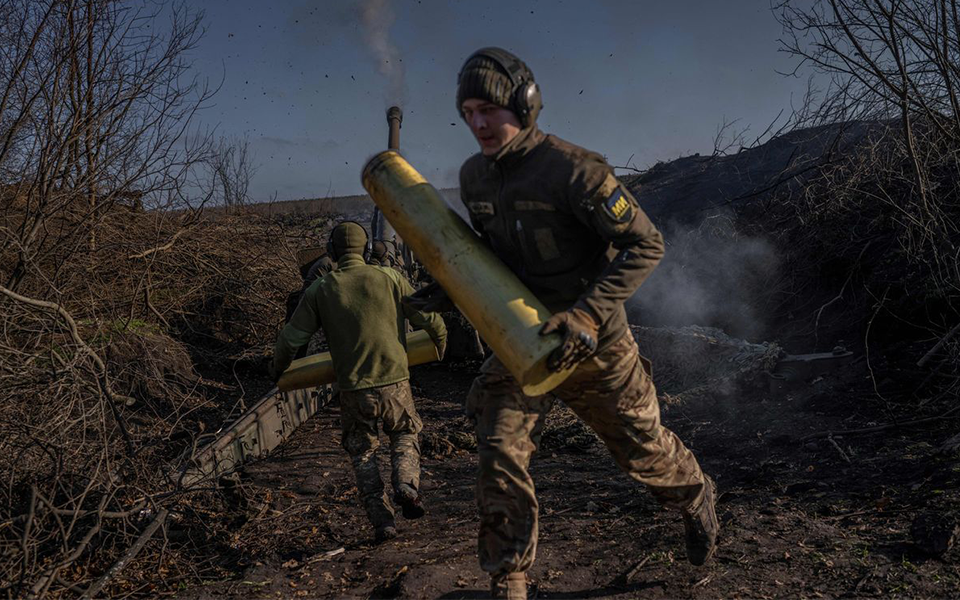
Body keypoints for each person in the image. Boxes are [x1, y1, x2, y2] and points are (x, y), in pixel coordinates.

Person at [407, 47, 718, 599]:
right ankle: (511, 576)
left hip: (594, 344)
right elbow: (492, 256)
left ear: (525, 105)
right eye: (468, 111)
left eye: (489, 109)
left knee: (643, 454)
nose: (478, 123)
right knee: (500, 450)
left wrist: (586, 313)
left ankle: (695, 496)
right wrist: (447, 285)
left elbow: (646, 244)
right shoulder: (475, 178)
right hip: (520, 344)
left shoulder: (575, 169)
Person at [272, 221, 447, 543]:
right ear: (366, 250)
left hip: (353, 389)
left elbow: (290, 340)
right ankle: (406, 485)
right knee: (405, 435)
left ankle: (382, 522)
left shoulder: (321, 289)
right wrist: (440, 342)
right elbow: (429, 316)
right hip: (395, 382)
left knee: (363, 453)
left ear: (332, 252)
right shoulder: (391, 278)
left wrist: (279, 370)